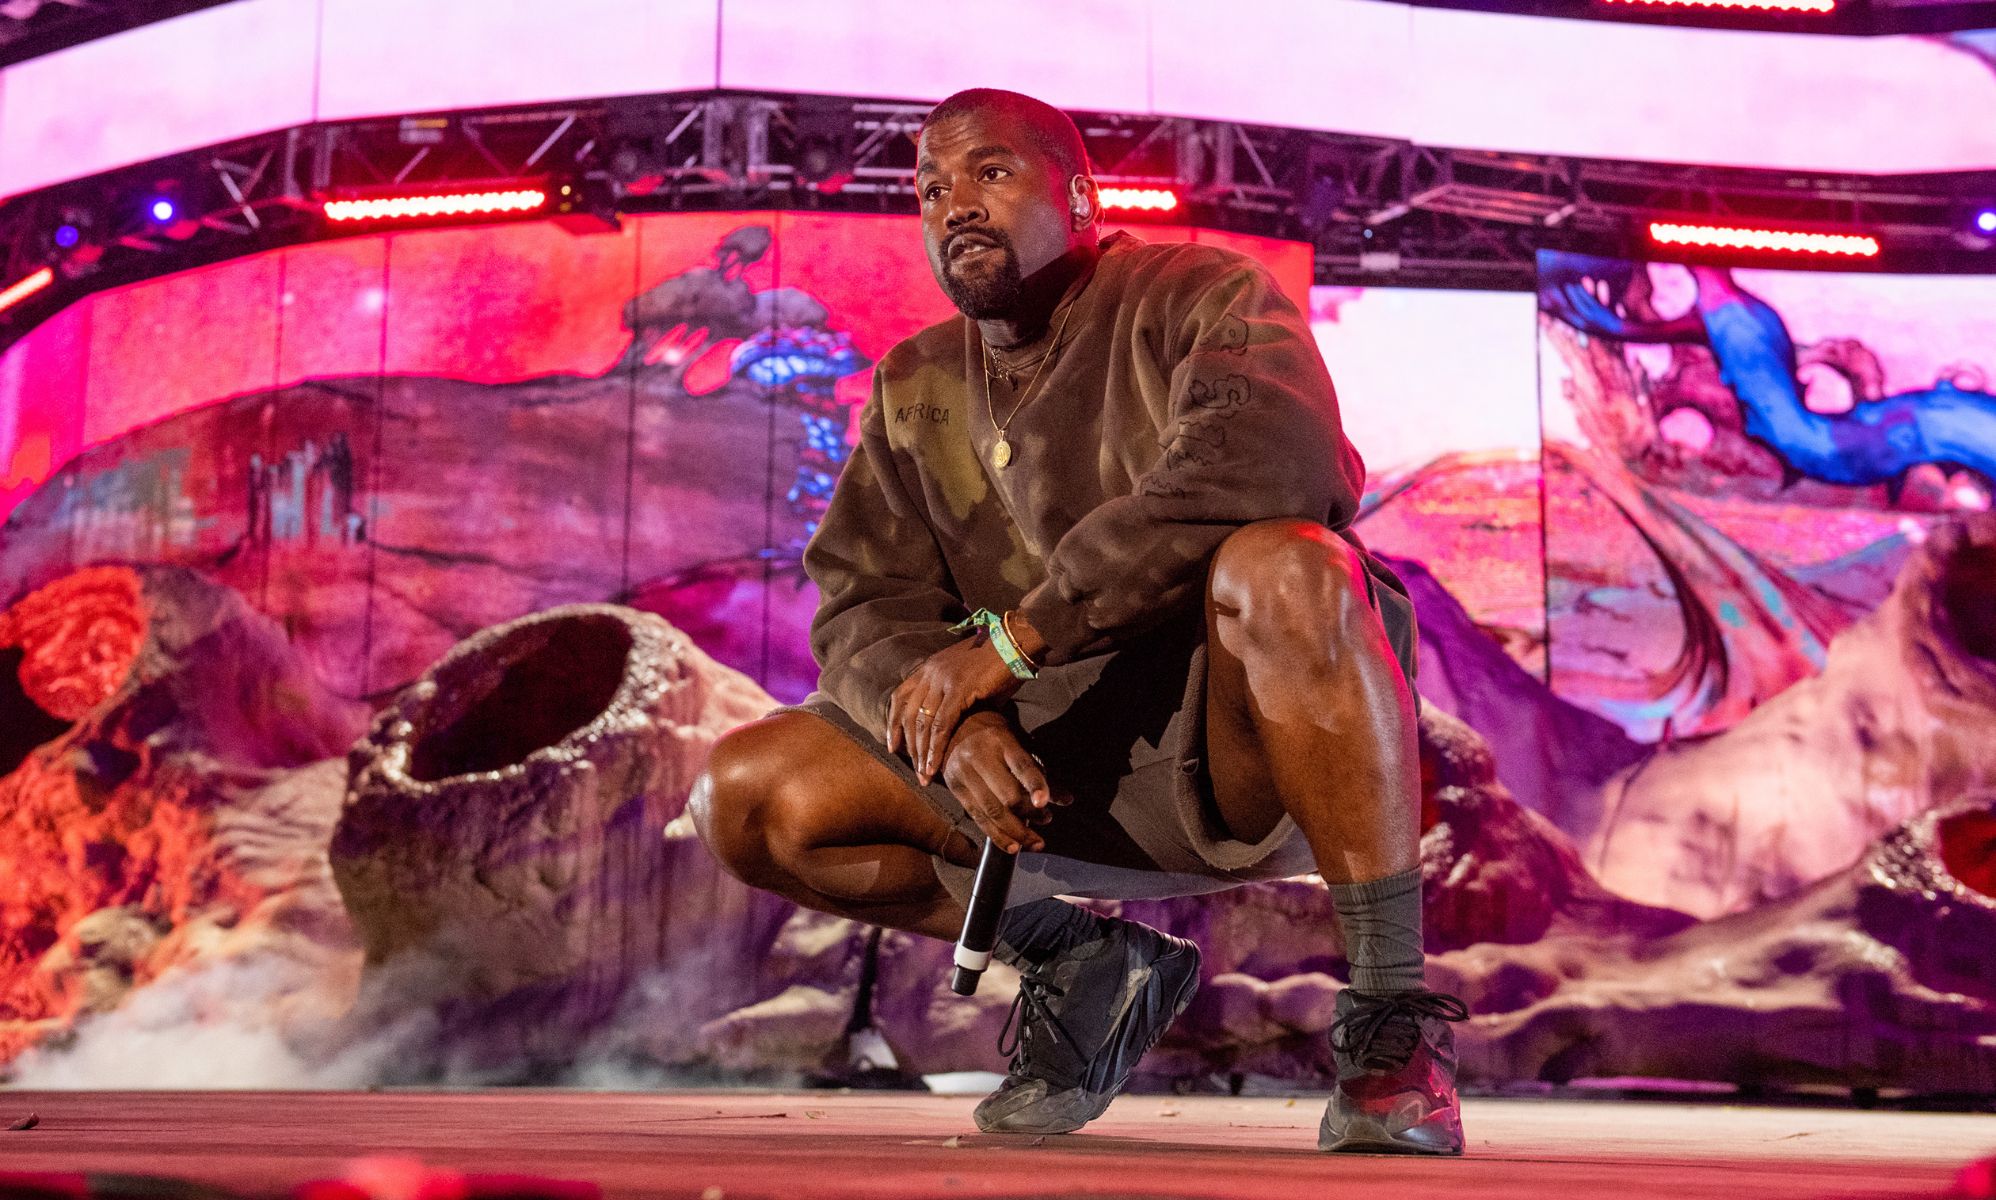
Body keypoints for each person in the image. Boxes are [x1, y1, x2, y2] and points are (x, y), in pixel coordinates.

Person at [692, 87, 1470, 1155]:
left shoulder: (1199, 296)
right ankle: (1084, 964)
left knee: (1291, 563)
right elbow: (863, 601)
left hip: (1237, 751)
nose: (953, 204)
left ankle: (1390, 1028)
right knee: (741, 796)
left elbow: (1272, 465)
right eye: (929, 187)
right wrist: (949, 727)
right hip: (1041, 774)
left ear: (1081, 197)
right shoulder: (912, 384)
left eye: (989, 174)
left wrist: (1010, 644)